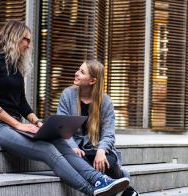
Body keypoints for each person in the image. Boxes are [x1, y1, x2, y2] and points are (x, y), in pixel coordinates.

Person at [0, 20, 129, 196]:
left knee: (59, 139)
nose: (28, 44)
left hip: (13, 126)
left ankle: (100, 179)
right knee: (47, 149)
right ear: (14, 37)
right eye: (26, 39)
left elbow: (21, 103)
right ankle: (92, 190)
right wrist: (18, 125)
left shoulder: (16, 68)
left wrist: (37, 122)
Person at [57, 60, 139, 196]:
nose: (76, 73)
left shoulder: (105, 101)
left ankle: (120, 186)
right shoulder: (67, 94)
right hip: (75, 149)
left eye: (82, 72)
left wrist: (101, 151)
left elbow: (109, 134)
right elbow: (62, 125)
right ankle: (127, 191)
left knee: (109, 163)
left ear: (92, 81)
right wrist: (72, 146)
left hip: (96, 148)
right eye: (78, 70)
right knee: (79, 163)